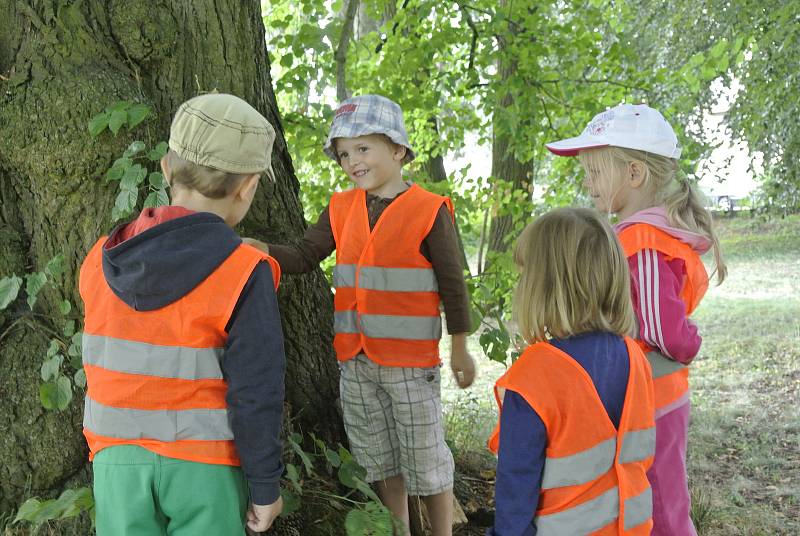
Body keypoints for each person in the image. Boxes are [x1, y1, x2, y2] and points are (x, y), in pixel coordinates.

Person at [249, 94, 475, 536]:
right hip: (356, 363)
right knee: (379, 459)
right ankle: (398, 529)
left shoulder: (429, 210)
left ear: (398, 150)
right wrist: (259, 250)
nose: (352, 161)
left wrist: (461, 348)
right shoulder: (340, 208)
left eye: (363, 149)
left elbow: (453, 285)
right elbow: (302, 255)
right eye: (344, 154)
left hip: (411, 367)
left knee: (426, 458)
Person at [79, 93, 285, 535]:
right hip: (204, 469)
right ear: (247, 187)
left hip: (117, 463)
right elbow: (257, 391)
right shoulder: (246, 273)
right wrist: (266, 485)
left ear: (166, 168)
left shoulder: (98, 261)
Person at [546, 103, 727, 535]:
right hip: (642, 395)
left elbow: (662, 329)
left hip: (654, 397)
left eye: (594, 170)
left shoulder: (641, 242)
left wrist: (690, 344)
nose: (586, 181)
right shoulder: (637, 232)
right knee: (647, 492)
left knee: (661, 501)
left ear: (633, 174)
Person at [487, 207, 656, 535]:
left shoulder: (533, 376)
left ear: (542, 286)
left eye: (525, 275)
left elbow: (515, 486)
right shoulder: (634, 357)